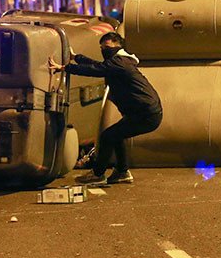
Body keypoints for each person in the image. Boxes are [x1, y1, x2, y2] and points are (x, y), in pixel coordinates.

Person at [48, 32, 162, 186]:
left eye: (107, 47)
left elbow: (95, 69)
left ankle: (98, 174)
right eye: (102, 48)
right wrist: (77, 58)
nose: (104, 50)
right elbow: (98, 66)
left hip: (146, 114)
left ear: (118, 45)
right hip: (143, 112)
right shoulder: (119, 61)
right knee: (116, 135)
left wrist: (64, 67)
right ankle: (122, 172)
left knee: (108, 136)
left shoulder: (120, 62)